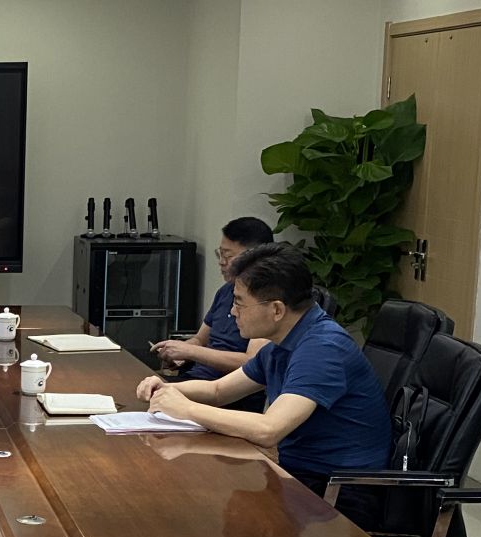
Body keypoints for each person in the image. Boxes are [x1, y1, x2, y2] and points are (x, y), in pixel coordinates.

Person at [135, 243, 390, 513]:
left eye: (239, 302)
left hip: (338, 491)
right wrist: (166, 389)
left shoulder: (322, 348)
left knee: (195, 506)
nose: (233, 312)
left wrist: (186, 409)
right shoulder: (283, 343)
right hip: (300, 475)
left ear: (277, 310)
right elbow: (218, 390)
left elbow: (269, 430)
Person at [151, 216, 274, 380]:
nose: (221, 262)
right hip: (196, 378)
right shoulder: (225, 291)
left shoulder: (265, 300)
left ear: (255, 257)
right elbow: (200, 340)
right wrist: (178, 352)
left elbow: (252, 362)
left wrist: (192, 352)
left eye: (228, 256)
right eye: (220, 254)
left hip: (226, 387)